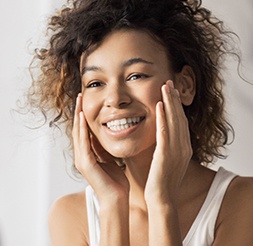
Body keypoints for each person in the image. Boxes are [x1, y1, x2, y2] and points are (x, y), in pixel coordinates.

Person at [26, 0, 253, 245]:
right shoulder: (71, 215)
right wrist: (113, 203)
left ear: (185, 85)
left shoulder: (242, 202)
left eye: (136, 75)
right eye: (95, 83)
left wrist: (161, 202)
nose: (114, 99)